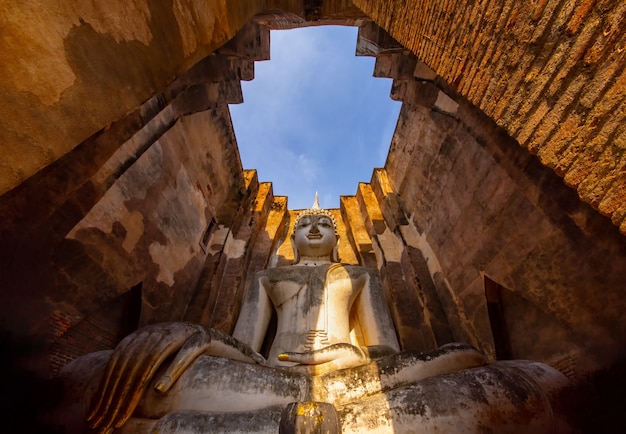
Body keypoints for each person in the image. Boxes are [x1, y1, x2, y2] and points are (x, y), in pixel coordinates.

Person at [59, 202, 570, 434]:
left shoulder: (360, 275)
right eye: (308, 224)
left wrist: (351, 361)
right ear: (293, 237)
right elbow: (242, 345)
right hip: (266, 379)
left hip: (357, 380)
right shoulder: (267, 276)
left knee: (513, 381)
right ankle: (329, 424)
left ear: (338, 237)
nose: (318, 228)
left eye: (326, 224)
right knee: (101, 372)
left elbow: (387, 350)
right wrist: (191, 337)